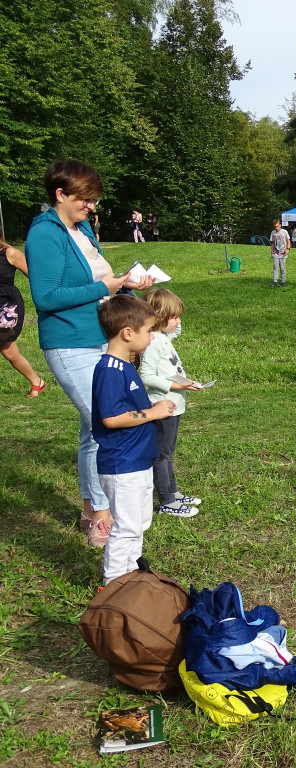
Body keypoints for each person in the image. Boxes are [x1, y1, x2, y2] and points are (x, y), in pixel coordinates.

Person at [26, 159, 154, 547]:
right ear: (60, 194)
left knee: (91, 428)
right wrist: (104, 289)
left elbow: (100, 278)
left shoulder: (81, 230)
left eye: (93, 199)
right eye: (85, 198)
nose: (91, 206)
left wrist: (126, 284)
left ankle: (90, 511)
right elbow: (46, 296)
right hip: (70, 343)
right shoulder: (44, 235)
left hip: (100, 337)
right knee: (104, 422)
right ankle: (102, 515)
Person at [93, 295, 177, 583]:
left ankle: (131, 576)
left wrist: (152, 409)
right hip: (122, 464)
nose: (152, 337)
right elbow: (111, 418)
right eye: (149, 330)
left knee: (139, 523)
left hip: (138, 461)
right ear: (128, 333)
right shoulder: (109, 370)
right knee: (126, 527)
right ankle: (114, 585)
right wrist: (152, 413)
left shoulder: (126, 364)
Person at [139, 289, 203, 518]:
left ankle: (173, 493)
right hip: (162, 406)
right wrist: (176, 386)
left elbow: (176, 329)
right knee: (161, 456)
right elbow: (146, 376)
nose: (178, 322)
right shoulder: (152, 342)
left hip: (174, 407)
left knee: (167, 453)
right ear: (159, 317)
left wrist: (171, 313)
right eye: (174, 317)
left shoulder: (163, 337)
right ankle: (167, 501)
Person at [0, 233, 47, 397]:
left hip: (6, 307)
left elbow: (36, 278)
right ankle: (37, 381)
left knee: (8, 351)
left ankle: (36, 381)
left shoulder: (10, 253)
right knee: (9, 352)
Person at [269, 219, 290, 288]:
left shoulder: (284, 232)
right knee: (275, 267)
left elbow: (288, 241)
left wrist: (288, 249)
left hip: (283, 253)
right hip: (275, 253)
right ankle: (275, 281)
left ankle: (283, 281)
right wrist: (271, 250)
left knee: (282, 268)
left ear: (280, 225)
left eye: (277, 226)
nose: (276, 228)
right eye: (275, 227)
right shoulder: (273, 233)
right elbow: (272, 242)